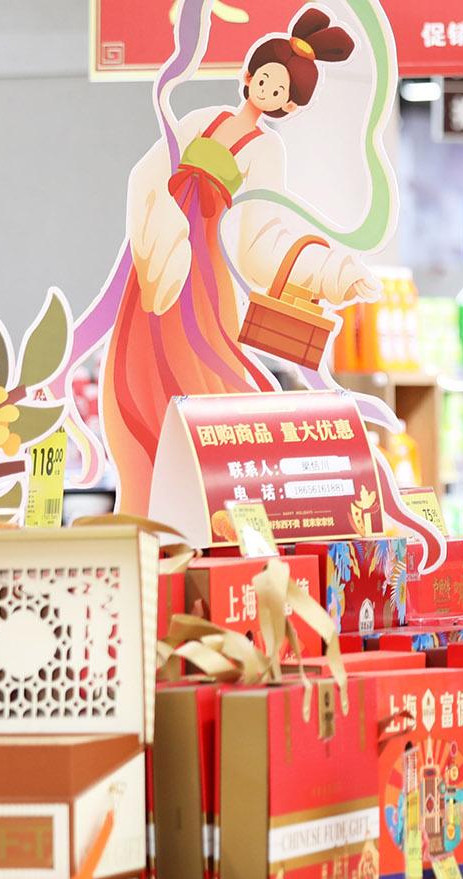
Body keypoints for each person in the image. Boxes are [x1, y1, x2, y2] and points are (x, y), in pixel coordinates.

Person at [100, 6, 380, 514]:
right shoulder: (201, 120)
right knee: (136, 378)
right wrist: (160, 225)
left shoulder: (266, 150)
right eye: (265, 79)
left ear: (288, 105)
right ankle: (142, 508)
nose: (267, 91)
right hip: (159, 261)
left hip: (199, 278)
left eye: (279, 90)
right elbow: (147, 174)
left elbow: (262, 238)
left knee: (202, 383)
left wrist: (331, 271)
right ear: (249, 76)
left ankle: (208, 510)